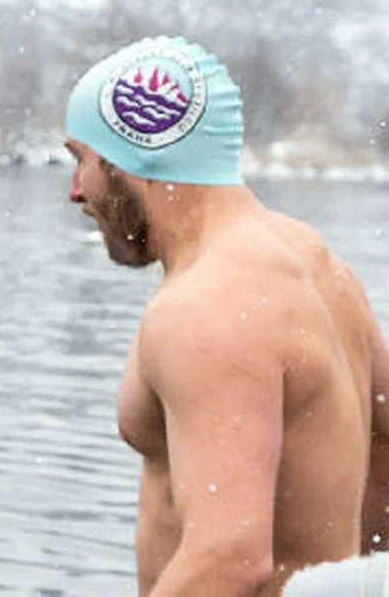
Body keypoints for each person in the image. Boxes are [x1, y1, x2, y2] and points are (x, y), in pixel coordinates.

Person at [63, 35, 389, 596]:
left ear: (132, 156)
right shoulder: (312, 261)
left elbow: (229, 558)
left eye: (82, 160)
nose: (74, 191)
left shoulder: (205, 309)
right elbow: (385, 442)